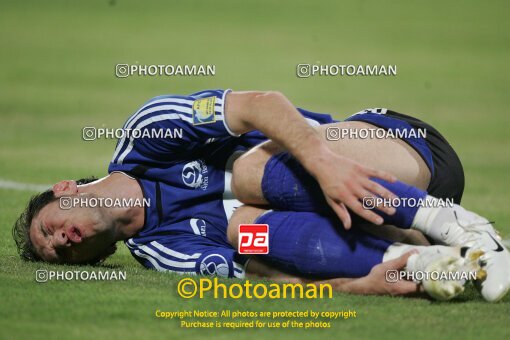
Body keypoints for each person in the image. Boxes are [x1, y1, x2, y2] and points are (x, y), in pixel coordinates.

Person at [12, 89, 510, 301]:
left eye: (47, 228)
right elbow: (268, 275)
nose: (58, 242)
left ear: (65, 190)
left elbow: (260, 104)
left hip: (393, 151)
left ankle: (461, 228)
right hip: (370, 220)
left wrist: (324, 166)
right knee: (248, 235)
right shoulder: (162, 252)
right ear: (99, 257)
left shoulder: (145, 137)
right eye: (58, 252)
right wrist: (359, 287)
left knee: (245, 170)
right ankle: (430, 260)